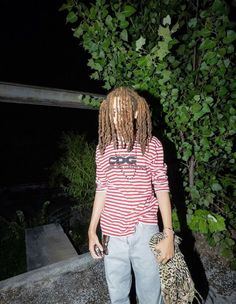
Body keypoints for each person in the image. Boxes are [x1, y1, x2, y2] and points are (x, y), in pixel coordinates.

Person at [88, 87, 174, 304]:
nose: (117, 118)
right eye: (113, 113)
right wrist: (91, 231)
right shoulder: (103, 149)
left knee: (151, 294)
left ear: (136, 113)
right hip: (112, 234)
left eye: (123, 111)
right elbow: (101, 189)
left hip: (144, 230)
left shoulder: (152, 145)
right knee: (117, 295)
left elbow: (162, 188)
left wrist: (168, 234)